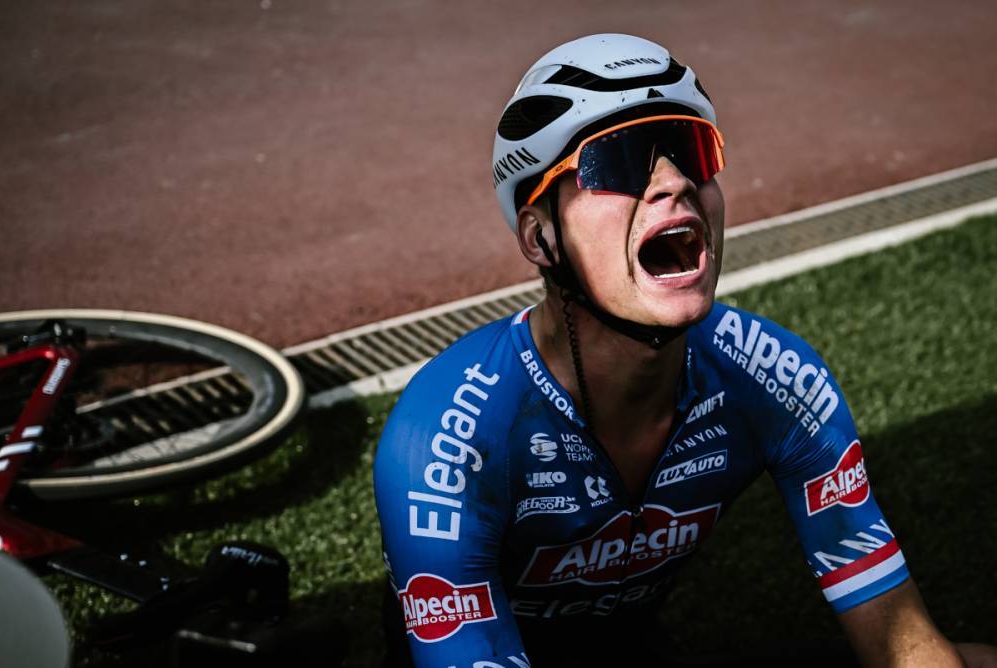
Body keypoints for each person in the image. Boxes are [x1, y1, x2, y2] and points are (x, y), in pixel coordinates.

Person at [373, 33, 996, 667]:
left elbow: (905, 648)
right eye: (615, 161)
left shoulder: (775, 377)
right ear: (541, 240)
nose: (675, 181)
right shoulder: (446, 440)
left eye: (692, 152)